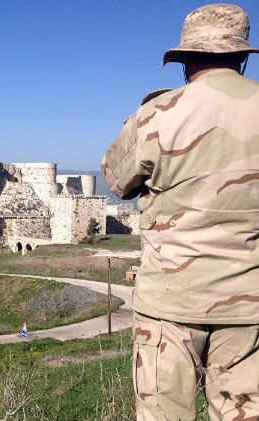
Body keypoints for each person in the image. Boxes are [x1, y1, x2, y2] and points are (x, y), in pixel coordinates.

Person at [101, 4, 259, 420]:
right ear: (241, 57)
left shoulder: (157, 115)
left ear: (185, 59)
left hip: (170, 304)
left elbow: (117, 182)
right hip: (250, 308)